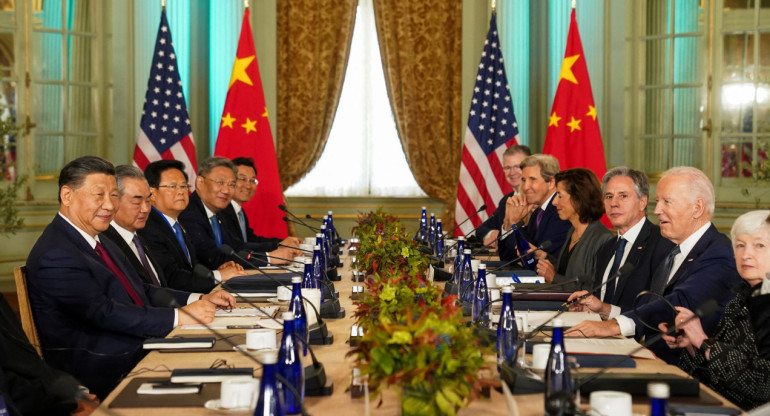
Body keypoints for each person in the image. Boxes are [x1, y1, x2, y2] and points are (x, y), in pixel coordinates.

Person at [25, 156, 236, 398]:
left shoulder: (100, 239)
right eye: (99, 195)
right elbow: (104, 313)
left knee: (228, 354)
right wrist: (179, 317)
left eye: (114, 195)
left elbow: (142, 289)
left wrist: (198, 299)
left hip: (135, 345)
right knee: (219, 378)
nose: (109, 205)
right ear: (67, 195)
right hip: (103, 366)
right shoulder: (56, 253)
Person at [565, 167, 742, 365]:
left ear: (697, 208)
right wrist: (606, 311)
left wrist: (612, 326)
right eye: (658, 202)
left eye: (667, 202)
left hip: (685, 371)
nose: (657, 210)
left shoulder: (720, 254)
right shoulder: (675, 252)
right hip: (649, 359)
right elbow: (647, 308)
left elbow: (678, 302)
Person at [659, 210, 770, 411]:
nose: (746, 254)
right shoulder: (741, 296)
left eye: (759, 245)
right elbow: (720, 372)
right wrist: (693, 345)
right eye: (740, 245)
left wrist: (703, 341)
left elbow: (764, 383)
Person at [565, 167, 674, 312]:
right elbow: (602, 302)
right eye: (609, 196)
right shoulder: (606, 249)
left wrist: (605, 311)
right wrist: (590, 308)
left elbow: (655, 309)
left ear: (642, 202)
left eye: (623, 196)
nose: (614, 203)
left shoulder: (661, 244)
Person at [137, 160, 244, 292]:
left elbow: (192, 267)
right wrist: (218, 276)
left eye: (183, 186)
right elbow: (171, 278)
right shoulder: (148, 227)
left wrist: (214, 272)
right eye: (173, 186)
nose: (181, 192)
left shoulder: (177, 224)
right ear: (152, 193)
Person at [179, 157, 300, 269]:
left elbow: (237, 246)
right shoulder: (190, 213)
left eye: (231, 184)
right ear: (200, 182)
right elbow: (214, 259)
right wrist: (270, 258)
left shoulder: (216, 212)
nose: (226, 190)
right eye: (220, 182)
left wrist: (277, 247)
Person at [0, 294, 97, 416]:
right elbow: (11, 392)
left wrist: (76, 392)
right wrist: (71, 404)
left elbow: (28, 362)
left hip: (43, 397)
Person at [534, 168, 613, 291]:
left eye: (559, 196)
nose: (554, 202)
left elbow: (594, 288)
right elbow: (569, 271)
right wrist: (545, 257)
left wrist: (553, 277)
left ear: (578, 199)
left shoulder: (603, 238)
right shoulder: (572, 231)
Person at [498, 154, 571, 262]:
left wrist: (516, 222)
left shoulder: (560, 212)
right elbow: (507, 258)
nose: (525, 187)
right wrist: (508, 222)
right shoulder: (537, 212)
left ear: (551, 182)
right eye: (523, 180)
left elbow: (532, 261)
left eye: (532, 179)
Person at [220, 157, 301, 248]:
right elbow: (237, 246)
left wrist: (282, 242)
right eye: (242, 179)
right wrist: (278, 246)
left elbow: (250, 239)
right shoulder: (223, 211)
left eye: (252, 181)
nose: (248, 186)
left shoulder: (239, 211)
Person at [476, 145, 531, 248]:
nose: (512, 173)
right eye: (507, 168)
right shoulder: (506, 200)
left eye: (517, 167)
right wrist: (491, 234)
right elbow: (481, 229)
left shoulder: (535, 200)